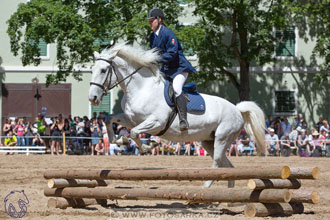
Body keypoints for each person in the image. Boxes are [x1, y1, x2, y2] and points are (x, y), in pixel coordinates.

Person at [147, 8, 197, 131]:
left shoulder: (168, 33)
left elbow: (172, 53)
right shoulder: (152, 37)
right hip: (166, 70)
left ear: (159, 20)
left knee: (176, 88)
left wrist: (157, 59)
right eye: (149, 21)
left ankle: (183, 119)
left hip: (179, 68)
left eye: (152, 21)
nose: (150, 23)